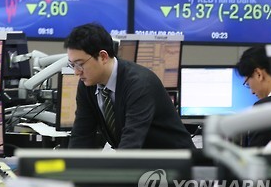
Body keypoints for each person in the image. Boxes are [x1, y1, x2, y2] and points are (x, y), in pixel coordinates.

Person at [64, 23, 195, 149]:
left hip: (174, 162)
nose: (76, 72)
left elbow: (131, 142)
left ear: (103, 56)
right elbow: (81, 135)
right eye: (72, 65)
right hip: (143, 161)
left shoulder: (139, 84)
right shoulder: (88, 84)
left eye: (80, 64)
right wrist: (72, 169)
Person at [236, 46, 271, 148]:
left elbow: (254, 157)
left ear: (258, 74)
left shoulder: (263, 109)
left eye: (247, 83)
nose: (251, 92)